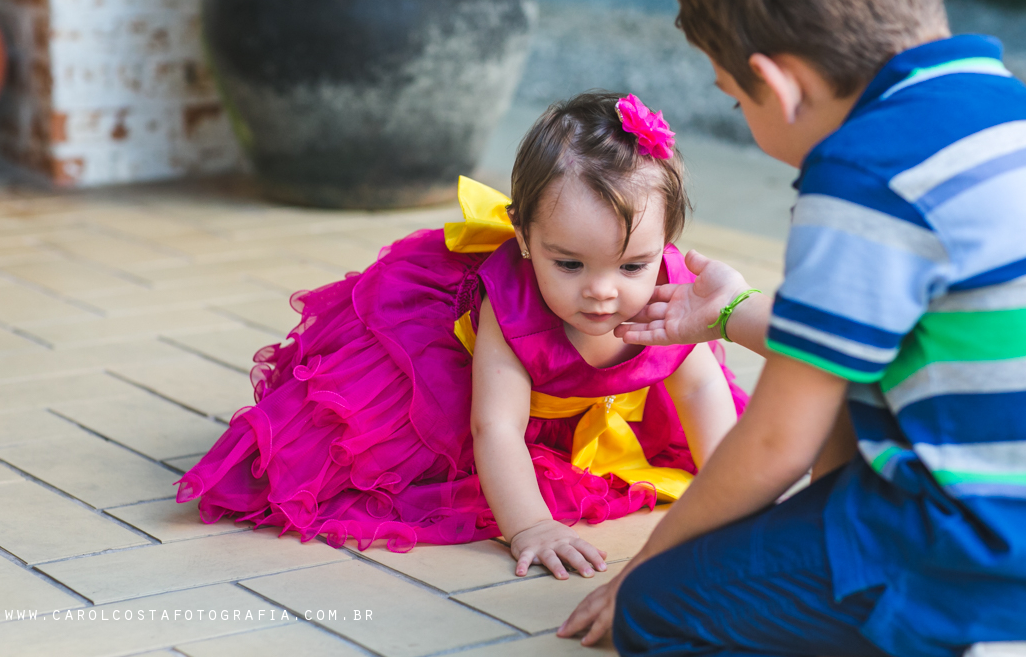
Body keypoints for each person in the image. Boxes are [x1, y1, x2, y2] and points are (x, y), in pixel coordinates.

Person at [560, 0, 1026, 655]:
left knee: (660, 608)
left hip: (1002, 566)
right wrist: (731, 312)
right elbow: (857, 359)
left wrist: (643, 566)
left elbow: (777, 441)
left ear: (777, 84)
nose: (743, 113)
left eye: (734, 99)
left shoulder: (867, 168)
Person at [175, 91, 748, 580]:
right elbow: (495, 426)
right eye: (569, 264)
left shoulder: (672, 295)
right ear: (524, 237)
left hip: (592, 399)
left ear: (665, 245)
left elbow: (701, 388)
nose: (601, 291)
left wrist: (734, 495)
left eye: (631, 266)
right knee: (375, 459)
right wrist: (531, 525)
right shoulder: (513, 303)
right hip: (462, 386)